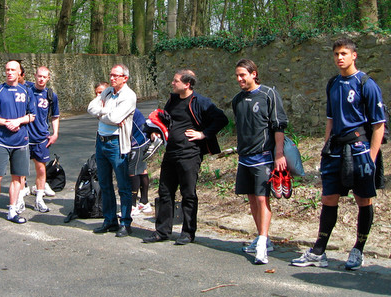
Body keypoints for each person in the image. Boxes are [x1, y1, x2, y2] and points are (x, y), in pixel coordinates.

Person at [291, 38, 385, 270]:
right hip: (335, 150)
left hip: (360, 149)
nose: (339, 58)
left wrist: (371, 159)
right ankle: (319, 252)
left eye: (343, 53)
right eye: (336, 54)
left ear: (354, 55)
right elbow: (330, 120)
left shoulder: (366, 84)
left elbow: (378, 126)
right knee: (328, 198)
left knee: (363, 200)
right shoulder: (333, 83)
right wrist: (325, 148)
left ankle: (358, 249)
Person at [143, 70, 228, 245]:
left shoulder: (200, 102)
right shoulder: (173, 100)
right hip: (170, 152)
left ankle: (188, 233)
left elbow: (222, 119)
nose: (172, 84)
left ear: (187, 84)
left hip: (189, 154)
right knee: (165, 192)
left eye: (175, 81)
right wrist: (155, 132)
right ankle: (162, 231)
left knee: (188, 193)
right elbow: (164, 120)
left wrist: (203, 134)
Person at [232, 59, 288, 264]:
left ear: (254, 73)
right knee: (252, 199)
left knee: (263, 199)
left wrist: (279, 154)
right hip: (244, 158)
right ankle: (262, 236)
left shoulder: (268, 95)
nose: (239, 79)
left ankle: (263, 244)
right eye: (237, 75)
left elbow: (278, 126)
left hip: (263, 157)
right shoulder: (237, 100)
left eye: (243, 75)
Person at [0, 60, 36, 227]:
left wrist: (18, 122)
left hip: (21, 142)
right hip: (2, 141)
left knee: (17, 178)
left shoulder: (26, 91)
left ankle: (12, 210)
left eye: (13, 70)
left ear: (20, 72)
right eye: (7, 69)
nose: (10, 72)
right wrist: (6, 122)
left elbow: (32, 115)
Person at [87, 64, 137, 237]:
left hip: (117, 144)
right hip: (101, 142)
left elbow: (116, 117)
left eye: (116, 75)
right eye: (111, 75)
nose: (112, 78)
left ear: (125, 78)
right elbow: (90, 108)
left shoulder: (129, 96)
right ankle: (109, 220)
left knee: (123, 185)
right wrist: (106, 113)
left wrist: (103, 114)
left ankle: (125, 222)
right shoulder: (107, 92)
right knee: (104, 184)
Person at [24, 66, 60, 213]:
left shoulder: (51, 95)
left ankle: (39, 199)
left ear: (48, 78)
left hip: (41, 138)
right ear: (35, 76)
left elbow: (55, 116)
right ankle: (19, 199)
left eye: (44, 77)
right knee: (21, 170)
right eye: (39, 76)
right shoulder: (26, 91)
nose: (41, 79)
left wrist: (55, 133)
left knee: (41, 169)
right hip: (25, 137)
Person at [129, 108, 153, 215]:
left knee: (132, 171)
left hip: (139, 142)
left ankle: (132, 206)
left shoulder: (128, 108)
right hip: (142, 140)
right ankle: (144, 202)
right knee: (142, 170)